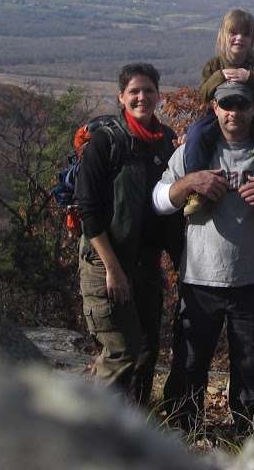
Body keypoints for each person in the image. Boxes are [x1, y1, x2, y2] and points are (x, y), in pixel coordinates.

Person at [153, 81, 254, 436]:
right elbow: (160, 199)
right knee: (189, 364)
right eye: (226, 105)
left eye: (241, 105)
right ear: (214, 108)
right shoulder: (195, 150)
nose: (233, 113)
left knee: (252, 368)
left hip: (253, 280)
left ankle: (248, 438)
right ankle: (183, 434)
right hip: (199, 279)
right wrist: (189, 183)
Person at [74, 62, 183, 406]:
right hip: (105, 262)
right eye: (134, 91)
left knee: (147, 350)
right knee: (121, 350)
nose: (142, 97)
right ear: (121, 97)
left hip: (145, 265)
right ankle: (99, 433)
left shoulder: (166, 142)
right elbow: (88, 213)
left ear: (159, 96)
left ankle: (134, 429)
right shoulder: (106, 142)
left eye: (148, 90)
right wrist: (112, 269)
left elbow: (169, 211)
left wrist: (182, 264)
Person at [183, 8, 254, 220]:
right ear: (224, 35)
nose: (239, 38)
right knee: (195, 134)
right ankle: (196, 191)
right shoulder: (214, 65)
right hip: (217, 115)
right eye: (234, 33)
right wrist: (219, 76)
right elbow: (203, 94)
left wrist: (249, 78)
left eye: (246, 34)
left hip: (253, 114)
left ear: (252, 39)